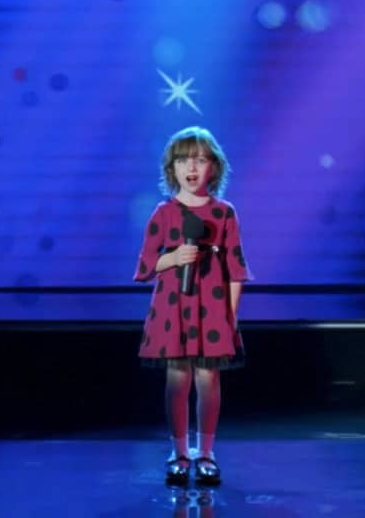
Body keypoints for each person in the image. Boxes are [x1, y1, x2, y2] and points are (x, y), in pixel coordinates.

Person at [133, 126, 250, 486]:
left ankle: (206, 453)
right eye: (184, 159)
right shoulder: (164, 213)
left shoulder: (225, 213)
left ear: (214, 166)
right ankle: (179, 451)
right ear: (173, 167)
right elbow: (145, 265)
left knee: (207, 378)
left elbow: (235, 269)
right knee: (178, 379)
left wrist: (229, 317)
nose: (192, 167)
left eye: (200, 159)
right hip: (173, 311)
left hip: (212, 311)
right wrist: (172, 258)